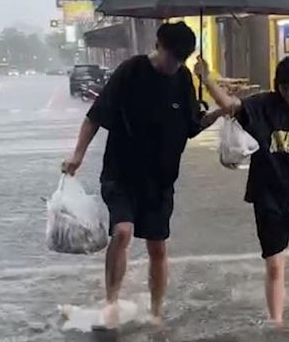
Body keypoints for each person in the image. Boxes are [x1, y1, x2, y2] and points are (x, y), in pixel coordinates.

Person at [62, 22, 222, 329]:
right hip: (121, 173)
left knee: (157, 246)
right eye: (171, 57)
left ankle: (157, 311)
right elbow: (96, 115)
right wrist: (78, 154)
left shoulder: (183, 79)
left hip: (160, 179)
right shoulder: (131, 71)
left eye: (181, 60)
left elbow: (192, 126)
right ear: (158, 45)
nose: (174, 65)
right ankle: (111, 302)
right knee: (122, 231)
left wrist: (216, 113)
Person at [201, 54, 289, 328]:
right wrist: (206, 79)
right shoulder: (266, 106)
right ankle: (277, 323)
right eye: (285, 87)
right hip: (268, 197)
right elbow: (230, 106)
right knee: (274, 264)